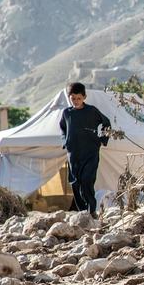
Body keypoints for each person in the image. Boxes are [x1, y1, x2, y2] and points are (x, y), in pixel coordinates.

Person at [58, 82, 110, 218]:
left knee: (87, 180)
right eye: (73, 98)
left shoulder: (91, 111)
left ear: (84, 97)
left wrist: (102, 140)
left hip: (90, 153)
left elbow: (106, 123)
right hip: (73, 154)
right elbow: (63, 128)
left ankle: (91, 210)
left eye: (79, 98)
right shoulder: (67, 113)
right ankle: (83, 212)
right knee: (75, 183)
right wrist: (65, 142)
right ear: (69, 98)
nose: (76, 101)